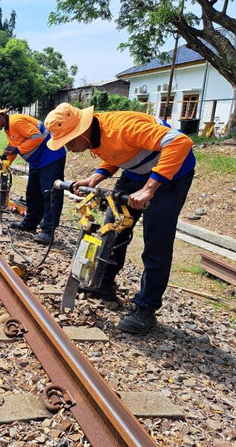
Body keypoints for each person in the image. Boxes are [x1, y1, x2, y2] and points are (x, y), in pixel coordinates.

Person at [44, 103, 195, 334]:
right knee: (112, 228)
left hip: (171, 175)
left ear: (80, 133)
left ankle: (146, 307)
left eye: (68, 142)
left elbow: (179, 142)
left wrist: (150, 188)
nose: (67, 148)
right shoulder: (95, 135)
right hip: (137, 173)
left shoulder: (121, 127)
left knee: (157, 241)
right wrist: (97, 176)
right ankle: (103, 284)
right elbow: (119, 152)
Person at [0, 104, 66, 245]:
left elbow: (37, 137)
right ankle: (30, 223)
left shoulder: (16, 121)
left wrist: (17, 150)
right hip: (37, 161)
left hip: (51, 157)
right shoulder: (9, 128)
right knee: (32, 193)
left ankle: (48, 231)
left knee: (50, 194)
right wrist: (2, 165)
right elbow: (12, 148)